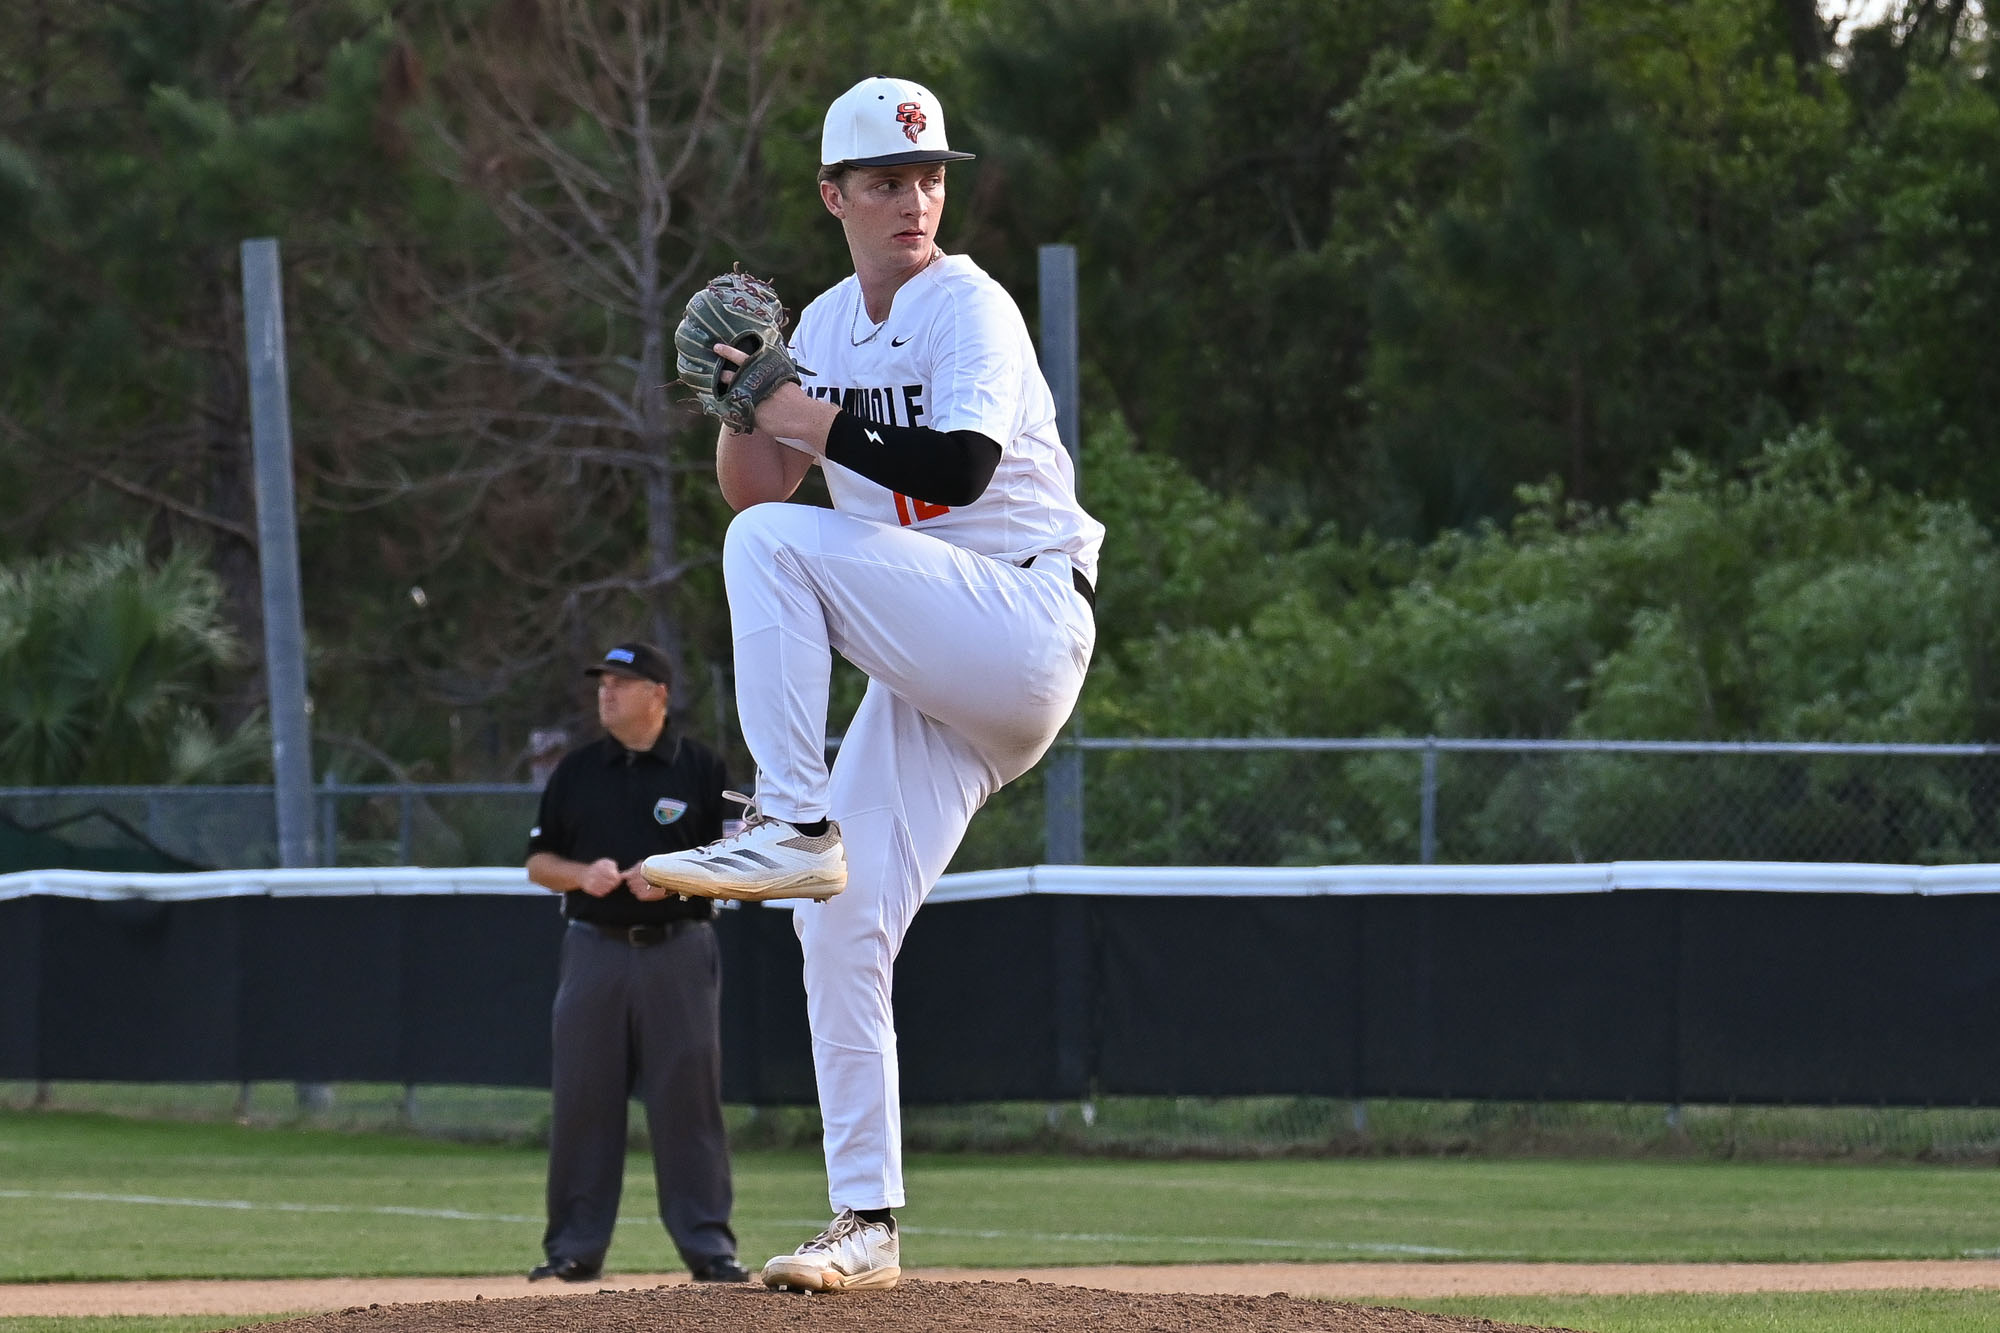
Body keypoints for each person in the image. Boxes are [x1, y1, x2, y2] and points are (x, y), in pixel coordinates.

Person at [641, 76, 1102, 1293]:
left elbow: (955, 471)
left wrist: (795, 404)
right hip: (931, 663)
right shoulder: (828, 327)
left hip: (1019, 620)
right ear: (832, 196)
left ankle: (789, 817)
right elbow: (755, 488)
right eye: (887, 179)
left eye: (930, 176)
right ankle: (867, 1221)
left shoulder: (969, 305)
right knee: (835, 922)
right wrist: (744, 399)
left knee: (770, 556)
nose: (915, 198)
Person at [523, 641, 750, 1285]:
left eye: (621, 683)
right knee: (583, 1100)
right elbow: (539, 863)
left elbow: (737, 863)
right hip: (593, 950)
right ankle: (574, 1249)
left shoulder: (702, 768)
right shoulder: (577, 771)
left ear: (659, 694)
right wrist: (581, 875)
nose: (607, 693)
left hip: (678, 949)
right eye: (603, 683)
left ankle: (710, 1248)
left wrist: (674, 877)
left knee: (688, 1101)